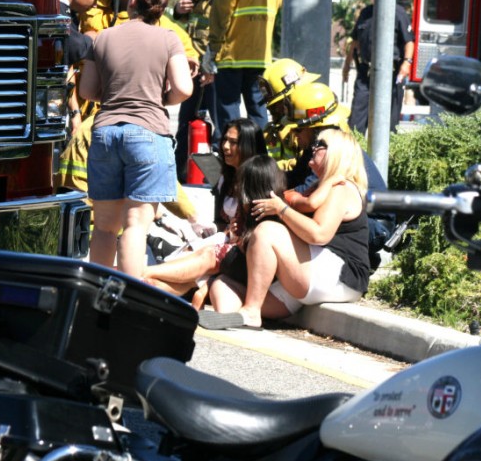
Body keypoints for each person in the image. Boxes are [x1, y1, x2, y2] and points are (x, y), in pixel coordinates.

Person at [79, 0, 193, 278]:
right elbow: (183, 87)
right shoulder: (168, 38)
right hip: (148, 132)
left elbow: (88, 91)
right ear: (162, 8)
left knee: (104, 227)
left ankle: (95, 293)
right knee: (135, 225)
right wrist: (162, 98)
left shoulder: (102, 37)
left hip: (105, 133)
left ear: (131, 1)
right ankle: (128, 296)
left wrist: (118, 93)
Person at [201, 129, 370, 330]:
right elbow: (294, 205)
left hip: (340, 275)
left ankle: (251, 312)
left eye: (319, 146)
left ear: (334, 153)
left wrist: (281, 210)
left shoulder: (341, 188)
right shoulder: (320, 188)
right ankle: (237, 318)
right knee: (223, 285)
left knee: (266, 231)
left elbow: (318, 234)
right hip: (314, 271)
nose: (312, 149)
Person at [142, 118, 267, 300]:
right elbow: (221, 221)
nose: (225, 146)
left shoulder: (258, 176)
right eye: (224, 140)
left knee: (199, 260)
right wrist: (220, 229)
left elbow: (262, 224)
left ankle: (141, 274)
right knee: (183, 278)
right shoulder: (226, 177)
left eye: (233, 142)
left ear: (248, 145)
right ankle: (145, 287)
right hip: (222, 243)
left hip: (244, 253)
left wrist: (236, 234)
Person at [280, 81, 393, 270]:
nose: (295, 136)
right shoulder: (314, 149)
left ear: (314, 127)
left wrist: (279, 199)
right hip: (359, 220)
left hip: (374, 227)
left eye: (298, 129)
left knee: (303, 217)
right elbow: (293, 180)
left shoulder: (331, 151)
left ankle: (356, 262)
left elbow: (306, 196)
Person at [208, 0, 284, 131]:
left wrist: (212, 50)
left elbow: (220, 15)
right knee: (258, 114)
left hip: (231, 57)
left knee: (229, 115)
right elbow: (275, 10)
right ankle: (258, 159)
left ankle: (231, 159)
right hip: (261, 59)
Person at [172, 0, 234, 181]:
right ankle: (181, 174)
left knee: (220, 128)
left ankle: (221, 180)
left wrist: (213, 65)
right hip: (194, 68)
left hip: (215, 69)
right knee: (186, 124)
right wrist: (178, 11)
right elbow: (185, 24)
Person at [341, 0, 414, 134]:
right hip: (366, 74)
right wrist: (346, 66)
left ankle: (386, 158)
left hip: (392, 75)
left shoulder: (398, 13)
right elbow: (355, 42)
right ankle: (357, 156)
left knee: (389, 126)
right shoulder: (365, 13)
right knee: (355, 124)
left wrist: (407, 63)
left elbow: (409, 42)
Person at [61, 0, 107, 134]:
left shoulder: (71, 12)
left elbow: (66, 67)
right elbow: (71, 45)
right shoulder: (55, 7)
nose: (95, 6)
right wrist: (92, 41)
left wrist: (75, 114)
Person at [259, 58, 319, 169]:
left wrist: (265, 171)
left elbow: (308, 166)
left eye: (277, 103)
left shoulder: (314, 127)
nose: (272, 109)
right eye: (271, 104)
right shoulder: (273, 131)